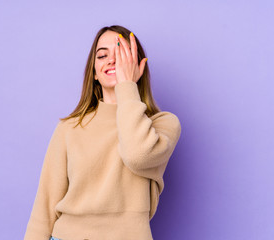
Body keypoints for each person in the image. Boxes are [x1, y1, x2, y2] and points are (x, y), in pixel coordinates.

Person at [23, 25, 182, 240]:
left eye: (121, 53)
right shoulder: (69, 128)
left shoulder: (162, 125)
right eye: (102, 55)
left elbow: (137, 155)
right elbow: (45, 206)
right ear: (94, 73)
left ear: (138, 66)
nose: (111, 60)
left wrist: (126, 85)